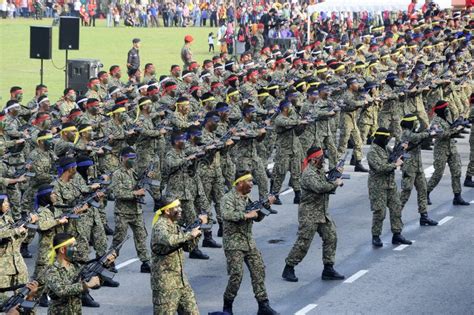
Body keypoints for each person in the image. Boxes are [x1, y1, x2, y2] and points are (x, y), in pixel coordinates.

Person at [282, 147, 345, 282]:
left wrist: (335, 174)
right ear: (314, 159)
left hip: (322, 212)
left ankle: (328, 268)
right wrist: (335, 183)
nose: (323, 160)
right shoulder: (308, 174)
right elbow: (320, 187)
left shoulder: (318, 170)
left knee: (331, 237)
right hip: (309, 215)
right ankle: (289, 267)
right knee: (303, 243)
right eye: (321, 157)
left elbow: (324, 180)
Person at [221, 170, 278, 315]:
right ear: (240, 183)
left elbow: (257, 218)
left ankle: (263, 305)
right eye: (249, 181)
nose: (252, 184)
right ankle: (227, 306)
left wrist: (266, 207)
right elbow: (226, 215)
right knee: (236, 276)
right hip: (234, 244)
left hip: (248, 242)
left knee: (259, 270)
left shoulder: (247, 198)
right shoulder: (228, 198)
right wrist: (245, 215)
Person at [150, 196, 203, 315]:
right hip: (166, 284)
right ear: (167, 211)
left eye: (180, 206)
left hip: (181, 281)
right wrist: (190, 235)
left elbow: (187, 248)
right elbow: (169, 240)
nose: (180, 210)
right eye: (176, 207)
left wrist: (198, 232)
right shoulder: (160, 226)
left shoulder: (175, 225)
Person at [367, 128, 411, 247]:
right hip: (378, 185)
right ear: (380, 138)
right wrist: (395, 164)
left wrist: (402, 152)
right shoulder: (372, 152)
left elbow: (396, 157)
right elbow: (380, 167)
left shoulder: (386, 148)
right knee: (379, 212)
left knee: (396, 208)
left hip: (390, 184)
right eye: (386, 138)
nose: (387, 140)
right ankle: (376, 236)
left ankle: (397, 234)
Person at [110, 147, 151, 273]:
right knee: (119, 239)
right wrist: (135, 193)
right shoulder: (118, 174)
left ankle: (145, 262)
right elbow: (117, 193)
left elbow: (138, 185)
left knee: (141, 236)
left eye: (134, 158)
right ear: (122, 158)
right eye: (129, 158)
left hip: (136, 210)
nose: (132, 160)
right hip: (123, 212)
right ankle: (109, 262)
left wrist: (146, 180)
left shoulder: (133, 171)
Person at [45, 232, 103, 314]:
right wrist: (86, 285)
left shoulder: (75, 266)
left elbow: (91, 282)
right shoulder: (52, 270)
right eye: (72, 246)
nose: (75, 249)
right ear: (62, 250)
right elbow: (61, 290)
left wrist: (104, 268)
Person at [426, 100, 470, 206]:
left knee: (457, 172)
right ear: (441, 110)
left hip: (451, 148)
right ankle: (425, 193)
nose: (447, 110)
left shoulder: (447, 119)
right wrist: (456, 130)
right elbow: (440, 135)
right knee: (438, 174)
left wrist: (459, 127)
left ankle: (457, 196)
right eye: (445, 108)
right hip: (441, 150)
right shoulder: (435, 121)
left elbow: (451, 131)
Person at [399, 114, 438, 226]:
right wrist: (428, 133)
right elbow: (415, 138)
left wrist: (430, 132)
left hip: (418, 167)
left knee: (423, 190)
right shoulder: (406, 133)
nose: (416, 123)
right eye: (414, 122)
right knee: (406, 192)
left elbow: (421, 136)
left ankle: (424, 216)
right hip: (409, 167)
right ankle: (396, 216)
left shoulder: (415, 132)